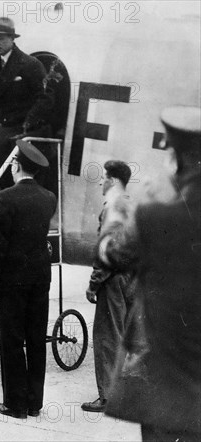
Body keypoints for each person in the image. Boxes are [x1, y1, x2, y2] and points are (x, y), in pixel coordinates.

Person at [101, 106, 201, 441]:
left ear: (176, 157)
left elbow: (110, 253)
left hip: (166, 386)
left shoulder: (156, 215)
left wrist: (116, 204)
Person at [0, 139, 57, 419]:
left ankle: (15, 404)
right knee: (36, 339)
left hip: (13, 278)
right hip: (40, 276)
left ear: (15, 165)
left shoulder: (7, 197)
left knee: (12, 341)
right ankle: (34, 403)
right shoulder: (49, 198)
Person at [81, 160, 134, 413]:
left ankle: (107, 397)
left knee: (106, 338)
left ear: (112, 180)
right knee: (125, 335)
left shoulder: (110, 208)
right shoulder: (132, 204)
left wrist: (93, 284)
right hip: (131, 278)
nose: (101, 183)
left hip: (112, 281)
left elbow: (106, 252)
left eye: (104, 178)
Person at [0, 17, 53, 192]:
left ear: (12, 38)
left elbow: (45, 98)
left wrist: (28, 124)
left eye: (1, 38)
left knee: (18, 186)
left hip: (21, 136)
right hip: (1, 135)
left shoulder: (30, 64)